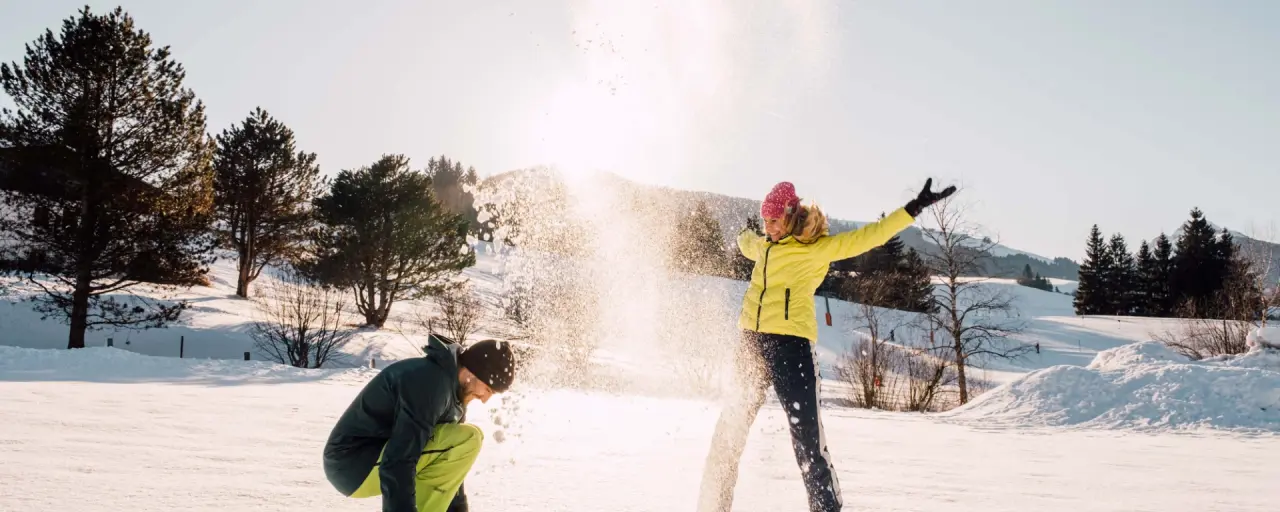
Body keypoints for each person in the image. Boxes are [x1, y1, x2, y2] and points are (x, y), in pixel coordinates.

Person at [698, 179, 955, 512]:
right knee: (729, 430)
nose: (769, 227)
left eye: (774, 220)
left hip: (791, 347)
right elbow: (746, 241)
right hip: (750, 343)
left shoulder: (816, 248)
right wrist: (745, 237)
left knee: (806, 439)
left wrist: (911, 210)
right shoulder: (763, 245)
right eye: (765, 221)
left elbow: (869, 236)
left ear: (791, 215)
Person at [323, 335, 517, 512]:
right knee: (469, 438)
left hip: (366, 462)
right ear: (471, 374)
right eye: (488, 389)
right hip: (352, 463)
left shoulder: (453, 391)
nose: (484, 399)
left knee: (462, 439)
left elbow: (448, 469)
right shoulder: (431, 384)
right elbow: (399, 459)